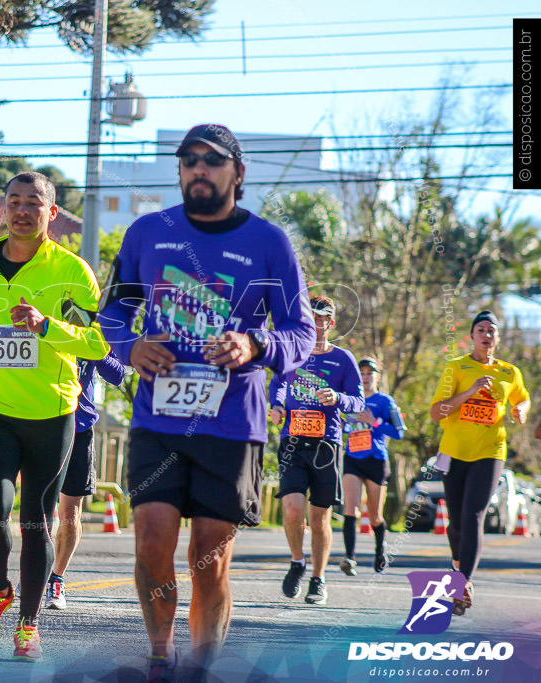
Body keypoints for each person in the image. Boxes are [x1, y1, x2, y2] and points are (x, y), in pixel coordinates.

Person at [99, 123, 315, 681]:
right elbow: (111, 315)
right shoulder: (148, 233)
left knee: (210, 558)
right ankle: (159, 655)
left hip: (230, 422)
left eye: (212, 161)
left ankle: (201, 666)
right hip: (158, 416)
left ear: (237, 175)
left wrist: (256, 343)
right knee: (150, 538)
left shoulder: (270, 243)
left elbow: (301, 332)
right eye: (189, 160)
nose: (199, 168)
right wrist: (131, 346)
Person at [0, 171, 109, 662]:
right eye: (13, 201)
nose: (21, 210)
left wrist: (45, 326)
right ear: (5, 209)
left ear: (50, 213)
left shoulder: (73, 272)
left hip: (52, 412)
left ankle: (29, 625)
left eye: (32, 202)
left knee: (36, 522)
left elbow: (96, 343)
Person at [429, 310, 529, 615]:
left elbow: (522, 398)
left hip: (490, 451)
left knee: (474, 515)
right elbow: (436, 412)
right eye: (481, 330)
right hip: (454, 451)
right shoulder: (456, 368)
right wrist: (470, 392)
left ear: (498, 338)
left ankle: (464, 583)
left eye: (492, 331)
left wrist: (520, 410)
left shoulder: (510, 372)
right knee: (456, 523)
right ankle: (458, 566)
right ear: (471, 336)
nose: (487, 335)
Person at [268, 294, 364, 606]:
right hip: (293, 439)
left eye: (324, 318)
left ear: (331, 323)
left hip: (327, 442)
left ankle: (318, 579)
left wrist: (338, 398)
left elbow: (358, 401)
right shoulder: (293, 353)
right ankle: (298, 562)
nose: (318, 323)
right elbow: (279, 383)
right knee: (293, 508)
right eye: (313, 317)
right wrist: (277, 405)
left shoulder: (344, 359)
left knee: (320, 516)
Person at [47, 351, 125, 610]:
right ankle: (35, 570)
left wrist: (97, 351)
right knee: (40, 511)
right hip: (41, 424)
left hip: (79, 429)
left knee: (70, 516)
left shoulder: (93, 326)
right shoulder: (42, 319)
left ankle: (56, 577)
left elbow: (117, 375)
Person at [339, 357, 406, 575]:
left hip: (376, 460)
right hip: (353, 458)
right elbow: (347, 427)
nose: (366, 377)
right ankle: (350, 557)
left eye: (370, 373)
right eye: (362, 373)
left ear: (377, 376)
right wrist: (343, 425)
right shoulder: (350, 400)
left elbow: (399, 432)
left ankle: (380, 550)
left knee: (375, 516)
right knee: (351, 508)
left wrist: (374, 422)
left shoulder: (385, 401)